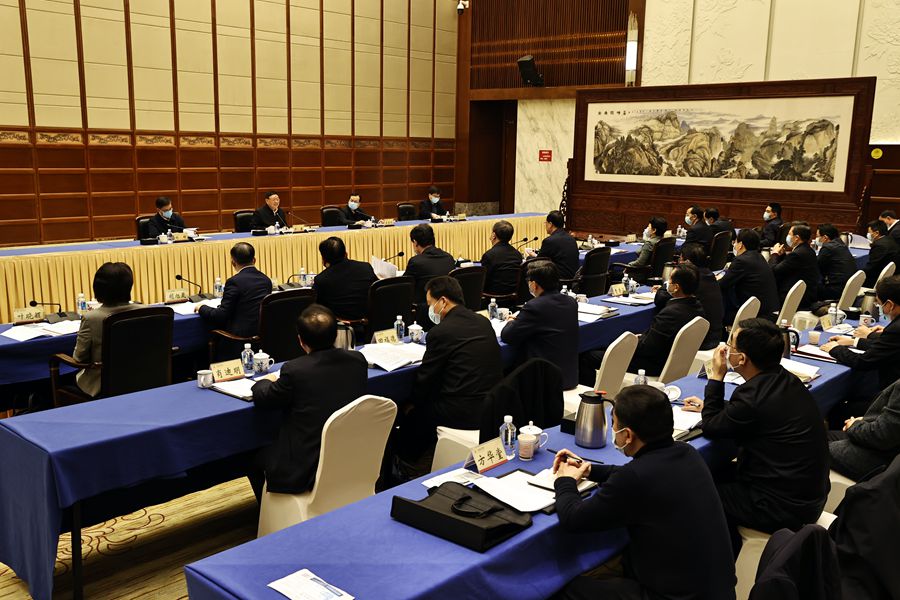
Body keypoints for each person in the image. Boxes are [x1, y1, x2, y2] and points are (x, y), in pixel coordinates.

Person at [553, 385, 736, 600]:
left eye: (614, 424)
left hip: (673, 596)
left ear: (628, 435)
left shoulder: (635, 478)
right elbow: (636, 475)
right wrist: (590, 470)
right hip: (717, 590)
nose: (614, 430)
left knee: (564, 590)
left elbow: (573, 518)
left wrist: (564, 480)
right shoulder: (687, 452)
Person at [683, 318, 829, 551]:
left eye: (730, 344)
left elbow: (711, 426)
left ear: (741, 359)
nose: (726, 348)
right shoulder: (786, 379)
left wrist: (716, 377)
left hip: (780, 506)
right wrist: (719, 407)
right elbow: (756, 412)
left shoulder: (750, 396)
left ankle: (722, 552)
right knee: (707, 472)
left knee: (692, 490)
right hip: (806, 495)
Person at [250, 305, 367, 496]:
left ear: (301, 340)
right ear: (335, 335)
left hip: (305, 466)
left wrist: (264, 380)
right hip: (350, 454)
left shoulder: (295, 370)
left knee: (252, 458)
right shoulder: (358, 360)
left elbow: (264, 398)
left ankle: (272, 510)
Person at [396, 276, 503, 469]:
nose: (430, 309)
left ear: (443, 301)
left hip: (461, 412)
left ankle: (406, 467)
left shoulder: (441, 332)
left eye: (431, 304)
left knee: (410, 412)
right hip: (492, 406)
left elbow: (425, 379)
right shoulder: (482, 321)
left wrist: (410, 403)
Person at [579, 264, 705, 384]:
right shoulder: (698, 307)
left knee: (587, 355)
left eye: (670, 280)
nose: (667, 283)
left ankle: (593, 395)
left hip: (652, 364)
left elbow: (646, 348)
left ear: (676, 287)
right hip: (669, 359)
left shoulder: (670, 313)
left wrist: (630, 341)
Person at [822, 275, 900, 403]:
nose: (878, 307)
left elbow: (864, 361)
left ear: (890, 304)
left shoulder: (895, 329)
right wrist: (854, 342)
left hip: (892, 400)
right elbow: (888, 347)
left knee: (841, 407)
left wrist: (835, 349)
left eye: (879, 303)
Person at [500, 261, 579, 389]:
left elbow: (507, 336)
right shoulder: (571, 302)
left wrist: (511, 321)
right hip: (568, 376)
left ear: (534, 284)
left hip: (544, 381)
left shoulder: (534, 306)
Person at [72, 262, 140, 397]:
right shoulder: (146, 311)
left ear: (98, 289)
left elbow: (79, 358)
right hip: (142, 379)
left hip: (103, 386)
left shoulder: (91, 318)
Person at [196, 242, 272, 358]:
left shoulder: (234, 282)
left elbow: (220, 316)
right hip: (263, 336)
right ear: (254, 260)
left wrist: (202, 307)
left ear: (233, 262)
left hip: (238, 340)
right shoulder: (266, 280)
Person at [828, 380, 900, 481]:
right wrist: (866, 420)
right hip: (887, 448)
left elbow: (882, 436)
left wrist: (854, 425)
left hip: (884, 460)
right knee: (823, 435)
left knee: (812, 445)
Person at [654, 244, 723, 349]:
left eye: (680, 259)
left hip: (699, 341)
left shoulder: (691, 279)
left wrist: (668, 284)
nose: (679, 263)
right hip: (715, 335)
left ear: (687, 262)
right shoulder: (709, 276)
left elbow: (660, 299)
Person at [718, 229, 780, 323]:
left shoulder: (741, 261)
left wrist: (715, 279)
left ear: (740, 244)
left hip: (757, 315)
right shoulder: (759, 256)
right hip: (768, 310)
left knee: (718, 312)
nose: (734, 245)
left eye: (735, 242)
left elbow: (722, 284)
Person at [312, 236, 377, 320]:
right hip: (370, 323)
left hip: (340, 326)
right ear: (346, 254)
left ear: (324, 260)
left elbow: (314, 307)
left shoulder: (321, 280)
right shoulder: (366, 267)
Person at [769, 222, 820, 310]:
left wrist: (775, 253)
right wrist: (782, 255)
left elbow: (773, 271)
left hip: (797, 298)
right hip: (807, 294)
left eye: (789, 234)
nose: (787, 236)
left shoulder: (797, 254)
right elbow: (789, 267)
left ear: (796, 238)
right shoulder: (807, 250)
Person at [404, 223, 456, 307]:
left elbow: (404, 286)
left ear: (415, 242)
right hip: (447, 307)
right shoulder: (449, 258)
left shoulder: (416, 262)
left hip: (424, 309)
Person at [526, 210, 579, 280]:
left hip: (557, 279)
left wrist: (530, 256)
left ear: (550, 224)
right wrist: (535, 255)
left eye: (546, 223)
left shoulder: (549, 241)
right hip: (573, 278)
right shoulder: (571, 238)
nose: (545, 225)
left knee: (529, 262)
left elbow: (539, 262)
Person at [814, 223, 857, 301]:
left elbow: (817, 267)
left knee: (809, 288)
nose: (816, 239)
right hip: (849, 288)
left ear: (825, 237)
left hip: (835, 290)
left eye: (817, 236)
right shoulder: (841, 244)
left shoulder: (827, 248)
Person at [480, 220, 522, 297]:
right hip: (513, 296)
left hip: (492, 297)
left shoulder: (489, 255)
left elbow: (483, 281)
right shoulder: (517, 254)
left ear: (494, 235)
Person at [862, 219, 899, 287]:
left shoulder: (879, 245)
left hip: (877, 279)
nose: (868, 235)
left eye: (869, 232)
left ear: (876, 233)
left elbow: (871, 267)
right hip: (893, 275)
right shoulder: (889, 239)